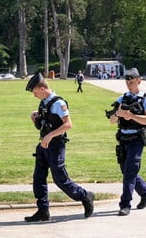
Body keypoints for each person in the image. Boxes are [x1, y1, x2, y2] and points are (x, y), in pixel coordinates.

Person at [24, 72, 94, 222]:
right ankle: (43, 211)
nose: (34, 96)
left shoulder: (58, 103)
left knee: (60, 179)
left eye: (35, 92)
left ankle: (84, 196)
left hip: (55, 146)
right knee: (38, 179)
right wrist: (35, 117)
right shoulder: (44, 103)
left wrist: (50, 135)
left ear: (42, 88)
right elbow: (44, 123)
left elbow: (68, 125)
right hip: (43, 145)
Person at [107, 67, 146, 216]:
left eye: (132, 82)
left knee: (129, 171)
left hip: (136, 140)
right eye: (127, 82)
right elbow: (111, 120)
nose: (129, 85)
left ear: (139, 81)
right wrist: (118, 113)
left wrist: (131, 116)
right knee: (126, 170)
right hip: (123, 139)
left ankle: (125, 204)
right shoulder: (122, 98)